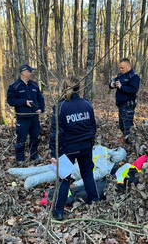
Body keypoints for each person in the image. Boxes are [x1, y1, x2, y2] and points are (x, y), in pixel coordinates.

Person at [49, 76, 99, 220]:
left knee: (64, 180)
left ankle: (58, 211)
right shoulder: (86, 104)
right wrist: (89, 142)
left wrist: (54, 152)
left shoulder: (60, 107)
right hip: (84, 146)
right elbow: (93, 127)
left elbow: (56, 133)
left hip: (69, 148)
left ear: (63, 89)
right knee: (87, 174)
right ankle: (94, 201)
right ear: (79, 88)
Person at [7, 144, 127, 189]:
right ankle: (22, 173)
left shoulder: (105, 168)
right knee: (49, 167)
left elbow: (91, 178)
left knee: (52, 173)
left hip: (76, 170)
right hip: (72, 159)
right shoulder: (101, 148)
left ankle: (31, 180)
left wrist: (76, 184)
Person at [7, 64, 45, 164]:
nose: (31, 73)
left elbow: (40, 98)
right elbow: (11, 100)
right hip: (22, 118)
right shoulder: (14, 86)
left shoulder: (34, 85)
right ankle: (20, 159)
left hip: (34, 117)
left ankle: (34, 156)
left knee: (35, 138)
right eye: (29, 71)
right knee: (21, 139)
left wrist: (41, 108)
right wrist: (24, 102)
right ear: (23, 72)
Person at [109, 58, 140, 144]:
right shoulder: (121, 75)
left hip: (128, 105)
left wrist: (122, 87)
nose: (121, 69)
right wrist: (111, 85)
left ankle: (131, 144)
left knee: (128, 127)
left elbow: (134, 90)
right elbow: (113, 82)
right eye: (120, 68)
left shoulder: (134, 77)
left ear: (128, 66)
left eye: (122, 68)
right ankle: (128, 142)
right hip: (121, 105)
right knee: (122, 126)